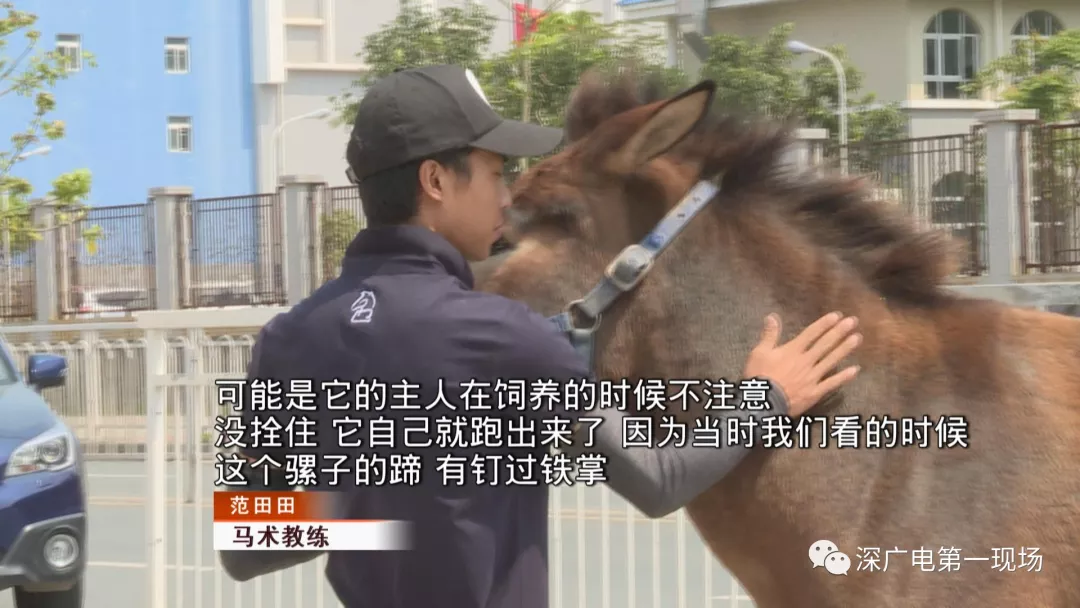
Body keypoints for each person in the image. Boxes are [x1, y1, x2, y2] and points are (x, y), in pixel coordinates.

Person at [236, 64, 863, 608]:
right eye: (494, 173)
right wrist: (767, 397)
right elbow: (658, 478)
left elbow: (245, 548)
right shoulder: (500, 335)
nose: (506, 197)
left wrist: (373, 503)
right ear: (435, 180)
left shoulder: (287, 339)